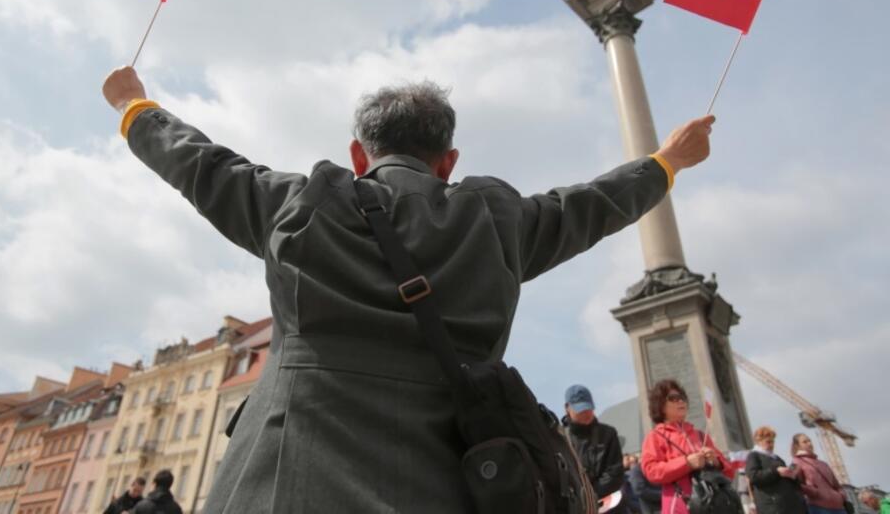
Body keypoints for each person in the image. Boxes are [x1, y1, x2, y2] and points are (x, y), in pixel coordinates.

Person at [102, 67, 715, 513]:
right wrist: (667, 161)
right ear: (448, 161)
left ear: (357, 155)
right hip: (449, 483)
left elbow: (202, 165)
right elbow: (595, 204)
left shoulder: (300, 205)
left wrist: (135, 106)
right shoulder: (496, 222)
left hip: (282, 481)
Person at [640, 379, 733, 514]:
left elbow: (730, 472)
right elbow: (652, 471)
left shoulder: (700, 435)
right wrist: (687, 463)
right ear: (660, 405)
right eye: (673, 398)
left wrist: (716, 461)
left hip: (712, 506)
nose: (681, 401)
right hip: (679, 506)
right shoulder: (655, 437)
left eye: (682, 398)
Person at [563, 384, 626, 513]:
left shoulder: (608, 434)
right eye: (580, 410)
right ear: (567, 408)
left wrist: (591, 496)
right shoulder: (561, 439)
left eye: (588, 408)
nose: (586, 413)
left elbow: (615, 473)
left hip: (609, 506)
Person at [745, 426, 807, 514]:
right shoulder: (754, 455)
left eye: (773, 442)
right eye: (768, 442)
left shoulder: (777, 458)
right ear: (759, 441)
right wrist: (776, 472)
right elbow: (753, 476)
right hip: (773, 507)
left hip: (790, 505)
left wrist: (793, 475)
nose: (771, 445)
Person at [790, 433, 847, 514]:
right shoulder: (796, 462)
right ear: (797, 446)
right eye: (805, 442)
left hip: (839, 507)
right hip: (818, 507)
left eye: (809, 441)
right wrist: (813, 491)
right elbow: (792, 482)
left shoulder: (823, 464)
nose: (809, 443)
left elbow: (836, 485)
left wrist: (841, 495)